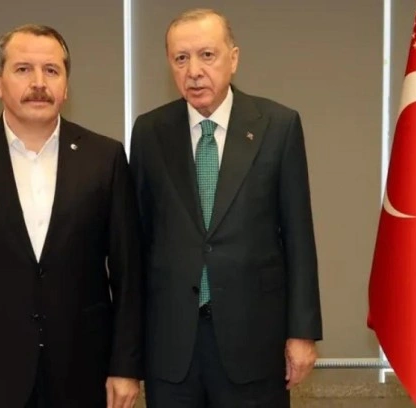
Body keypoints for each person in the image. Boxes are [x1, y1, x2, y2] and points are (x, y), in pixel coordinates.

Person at [0, 24, 142, 408]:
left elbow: (128, 271)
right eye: (23, 69)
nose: (39, 83)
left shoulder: (104, 158)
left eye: (51, 70)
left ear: (66, 86)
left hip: (83, 368)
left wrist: (126, 366)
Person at [129, 8, 322, 407]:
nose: (194, 71)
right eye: (181, 58)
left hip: (254, 341)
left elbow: (298, 236)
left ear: (233, 58)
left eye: (207, 55)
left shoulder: (277, 125)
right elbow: (137, 243)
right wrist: (129, 350)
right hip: (172, 347)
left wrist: (302, 332)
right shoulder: (150, 132)